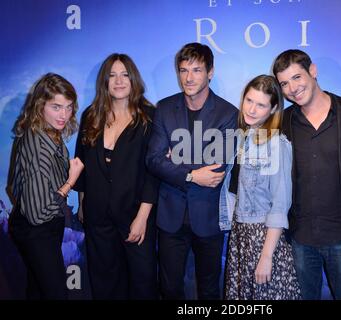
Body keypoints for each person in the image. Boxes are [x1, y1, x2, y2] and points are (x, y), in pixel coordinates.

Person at [273, 50, 341, 300]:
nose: (292, 88)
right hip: (300, 240)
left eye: (297, 77)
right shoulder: (281, 122)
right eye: (284, 83)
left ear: (313, 71)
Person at [146, 42, 238, 300]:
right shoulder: (164, 108)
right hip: (170, 217)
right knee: (170, 288)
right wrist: (191, 174)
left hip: (208, 217)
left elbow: (217, 168)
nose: (189, 77)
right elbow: (153, 160)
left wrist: (175, 160)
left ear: (210, 72)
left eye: (197, 70)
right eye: (184, 70)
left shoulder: (228, 113)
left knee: (209, 289)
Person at [74, 53, 159, 299]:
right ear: (104, 81)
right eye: (112, 75)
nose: (119, 81)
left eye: (124, 75)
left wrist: (142, 217)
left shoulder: (149, 117)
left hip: (136, 215)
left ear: (133, 79)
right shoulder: (91, 115)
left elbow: (153, 173)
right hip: (98, 216)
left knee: (143, 284)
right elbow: (81, 161)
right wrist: (82, 203)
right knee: (105, 283)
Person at [221, 75, 301, 300]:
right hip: (240, 235)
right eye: (249, 101)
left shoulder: (276, 144)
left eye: (261, 105)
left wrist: (266, 256)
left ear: (273, 108)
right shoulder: (242, 138)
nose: (252, 109)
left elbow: (280, 204)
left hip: (264, 238)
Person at [8, 73, 84, 299]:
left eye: (69, 107)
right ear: (41, 105)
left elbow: (13, 186)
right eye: (56, 107)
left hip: (42, 229)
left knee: (38, 291)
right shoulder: (36, 144)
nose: (64, 115)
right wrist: (71, 181)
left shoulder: (50, 133)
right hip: (36, 230)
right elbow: (38, 213)